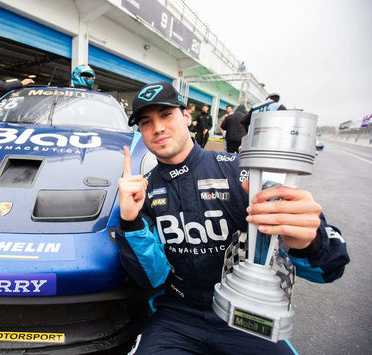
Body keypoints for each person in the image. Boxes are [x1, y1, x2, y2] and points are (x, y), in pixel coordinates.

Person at [116, 81, 349, 354]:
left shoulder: (242, 171)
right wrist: (131, 222)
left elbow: (330, 268)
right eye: (146, 122)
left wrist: (310, 241)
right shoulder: (140, 192)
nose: (157, 128)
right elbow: (152, 278)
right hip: (177, 317)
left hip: (246, 316)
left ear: (186, 117)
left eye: (166, 115)